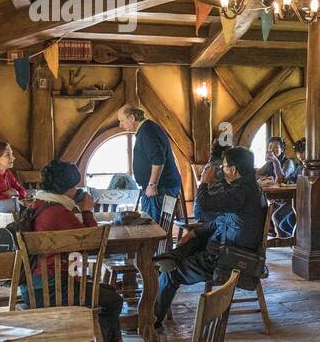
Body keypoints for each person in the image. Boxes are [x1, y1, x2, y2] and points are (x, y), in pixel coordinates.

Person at [23, 160, 144, 342]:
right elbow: (95, 244)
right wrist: (87, 210)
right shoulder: (59, 213)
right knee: (113, 299)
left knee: (106, 289)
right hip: (55, 289)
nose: (76, 190)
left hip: (33, 287)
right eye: (75, 187)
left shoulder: (39, 205)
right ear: (67, 189)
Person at [153, 146, 267, 329]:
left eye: (224, 166)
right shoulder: (247, 188)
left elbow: (201, 209)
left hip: (230, 258)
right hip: (226, 248)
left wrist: (204, 183)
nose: (222, 170)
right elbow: (221, 220)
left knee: (170, 273)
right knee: (194, 238)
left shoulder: (240, 193)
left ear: (233, 169)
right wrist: (195, 232)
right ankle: (170, 258)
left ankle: (151, 320)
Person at [117, 104, 182, 223]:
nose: (120, 125)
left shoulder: (147, 131)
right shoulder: (147, 129)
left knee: (155, 229)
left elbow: (158, 159)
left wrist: (152, 185)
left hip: (160, 189)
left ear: (132, 118)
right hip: (159, 188)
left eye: (122, 120)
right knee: (156, 228)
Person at [257, 137, 298, 236]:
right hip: (276, 199)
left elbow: (281, 179)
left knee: (277, 216)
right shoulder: (269, 164)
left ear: (282, 149)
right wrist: (265, 179)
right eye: (270, 147)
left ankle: (283, 239)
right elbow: (257, 175)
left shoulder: (289, 163)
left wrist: (275, 161)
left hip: (290, 199)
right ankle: (278, 237)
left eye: (276, 147)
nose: (272, 150)